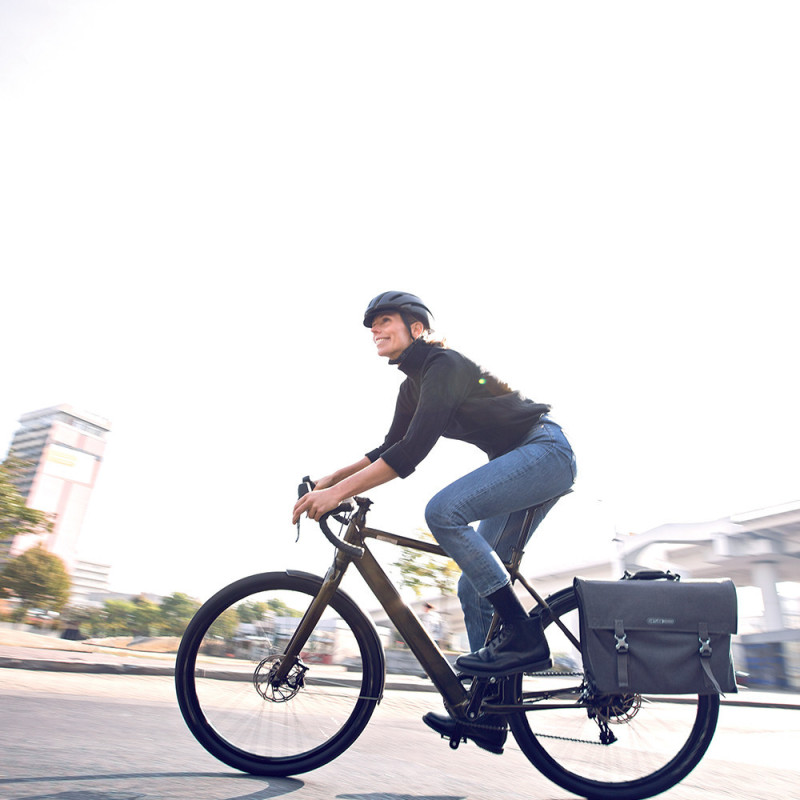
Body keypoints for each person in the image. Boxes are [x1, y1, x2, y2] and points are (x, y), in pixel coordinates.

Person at [292, 291, 577, 754]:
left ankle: (523, 637)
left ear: (417, 328)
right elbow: (390, 446)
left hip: (544, 452)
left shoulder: (443, 366)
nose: (375, 330)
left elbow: (411, 453)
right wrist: (333, 479)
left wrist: (335, 495)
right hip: (522, 461)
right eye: (372, 325)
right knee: (472, 589)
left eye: (385, 320)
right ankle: (489, 716)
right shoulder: (413, 385)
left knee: (443, 512)